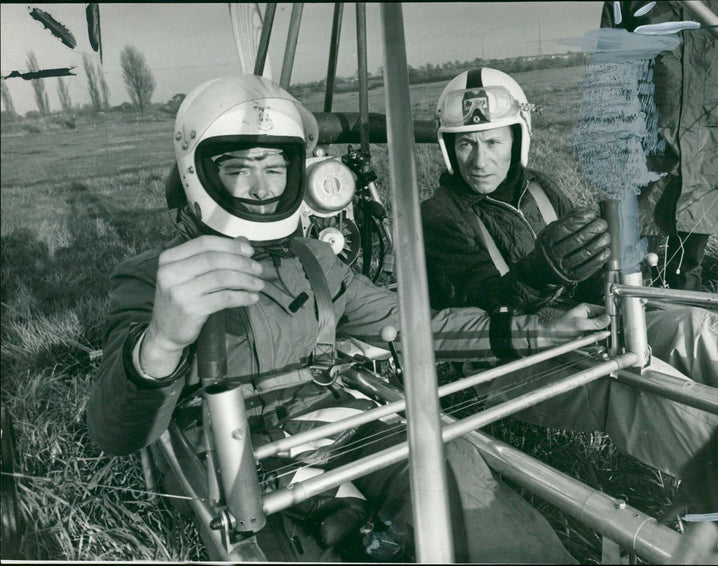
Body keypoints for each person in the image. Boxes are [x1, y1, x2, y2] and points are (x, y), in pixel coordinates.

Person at [86, 75, 595, 563]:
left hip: (344, 424)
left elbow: (419, 325)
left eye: (275, 167)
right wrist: (160, 343)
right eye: (240, 167)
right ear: (200, 172)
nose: (262, 188)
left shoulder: (314, 259)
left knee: (460, 473)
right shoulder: (155, 278)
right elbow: (115, 433)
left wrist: (541, 329)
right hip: (233, 459)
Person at [420, 67, 718, 477]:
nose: (480, 160)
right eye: (466, 144)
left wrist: (615, 266)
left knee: (694, 328)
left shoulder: (538, 186)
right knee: (637, 378)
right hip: (509, 361)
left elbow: (587, 264)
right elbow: (482, 305)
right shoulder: (438, 217)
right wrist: (541, 274)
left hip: (587, 327)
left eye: (492, 141)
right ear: (449, 148)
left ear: (517, 138)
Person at [601, 0, 718, 290]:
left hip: (714, 145)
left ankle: (685, 317)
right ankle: (637, 324)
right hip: (647, 144)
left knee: (687, 260)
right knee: (632, 259)